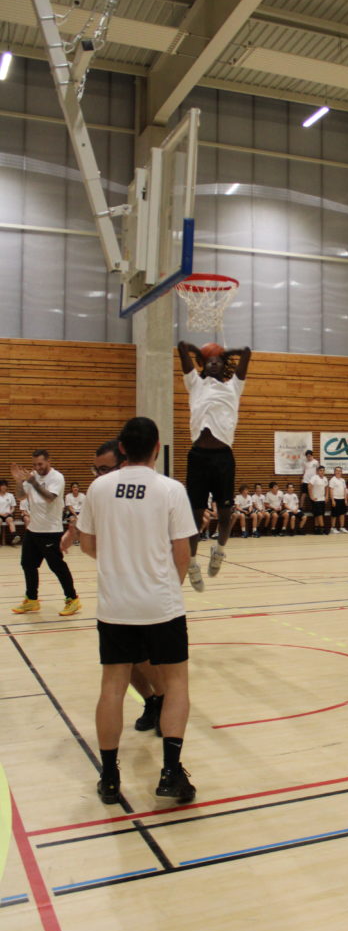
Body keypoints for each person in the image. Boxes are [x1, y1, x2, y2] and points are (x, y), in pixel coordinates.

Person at [77, 417, 198, 805]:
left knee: (112, 687)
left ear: (122, 449)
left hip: (115, 606)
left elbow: (87, 544)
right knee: (176, 684)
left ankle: (110, 778)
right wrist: (167, 587)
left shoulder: (98, 487)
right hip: (162, 604)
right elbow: (182, 553)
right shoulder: (171, 489)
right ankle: (171, 773)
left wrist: (118, 562)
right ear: (157, 448)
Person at [178, 340, 252, 590]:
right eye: (208, 361)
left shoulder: (234, 386)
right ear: (203, 364)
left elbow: (247, 354)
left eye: (217, 361)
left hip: (223, 457)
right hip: (198, 457)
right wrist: (197, 352)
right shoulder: (195, 384)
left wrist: (227, 353)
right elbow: (181, 348)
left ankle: (219, 550)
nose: (212, 363)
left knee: (225, 514)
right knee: (195, 516)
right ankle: (191, 563)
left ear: (223, 365)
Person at [10, 449, 80, 616]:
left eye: (40, 464)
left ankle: (72, 599)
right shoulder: (33, 476)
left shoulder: (57, 477)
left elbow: (49, 498)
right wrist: (19, 481)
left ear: (49, 461)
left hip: (50, 531)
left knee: (57, 567)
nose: (37, 467)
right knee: (27, 565)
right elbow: (20, 496)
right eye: (34, 464)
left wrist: (32, 482)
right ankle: (31, 600)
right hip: (33, 530)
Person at [309, 465, 329, 534]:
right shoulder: (314, 477)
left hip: (322, 499)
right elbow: (309, 486)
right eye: (320, 470)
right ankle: (323, 528)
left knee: (318, 514)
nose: (322, 472)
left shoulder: (325, 478)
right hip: (316, 499)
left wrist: (326, 496)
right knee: (319, 514)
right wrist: (311, 496)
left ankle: (317, 529)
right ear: (317, 471)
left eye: (323, 470)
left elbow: (326, 487)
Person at [0, 479, 20, 545]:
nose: (4, 487)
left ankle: (14, 536)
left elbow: (13, 507)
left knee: (10, 520)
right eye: (2, 485)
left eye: (5, 485)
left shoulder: (10, 495)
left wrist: (9, 512)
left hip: (8, 514)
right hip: (0, 514)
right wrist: (1, 514)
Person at [329, 466, 348, 533]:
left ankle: (341, 527)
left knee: (342, 514)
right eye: (337, 471)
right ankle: (332, 528)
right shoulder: (332, 480)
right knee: (334, 514)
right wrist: (332, 500)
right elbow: (331, 490)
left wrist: (345, 499)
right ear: (334, 472)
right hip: (335, 499)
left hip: (342, 499)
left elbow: (344, 490)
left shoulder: (343, 480)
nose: (338, 472)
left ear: (341, 472)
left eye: (339, 471)